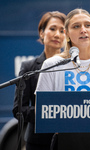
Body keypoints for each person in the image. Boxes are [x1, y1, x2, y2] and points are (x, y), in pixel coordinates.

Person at [35, 8, 90, 150]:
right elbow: (42, 110)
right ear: (67, 34)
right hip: (65, 141)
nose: (83, 30)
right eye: (76, 26)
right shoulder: (51, 65)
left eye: (87, 25)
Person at [12, 11, 67, 150]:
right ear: (42, 33)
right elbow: (18, 109)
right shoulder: (29, 67)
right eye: (53, 29)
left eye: (62, 31)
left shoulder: (73, 65)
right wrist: (47, 113)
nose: (57, 35)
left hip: (68, 139)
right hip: (38, 141)